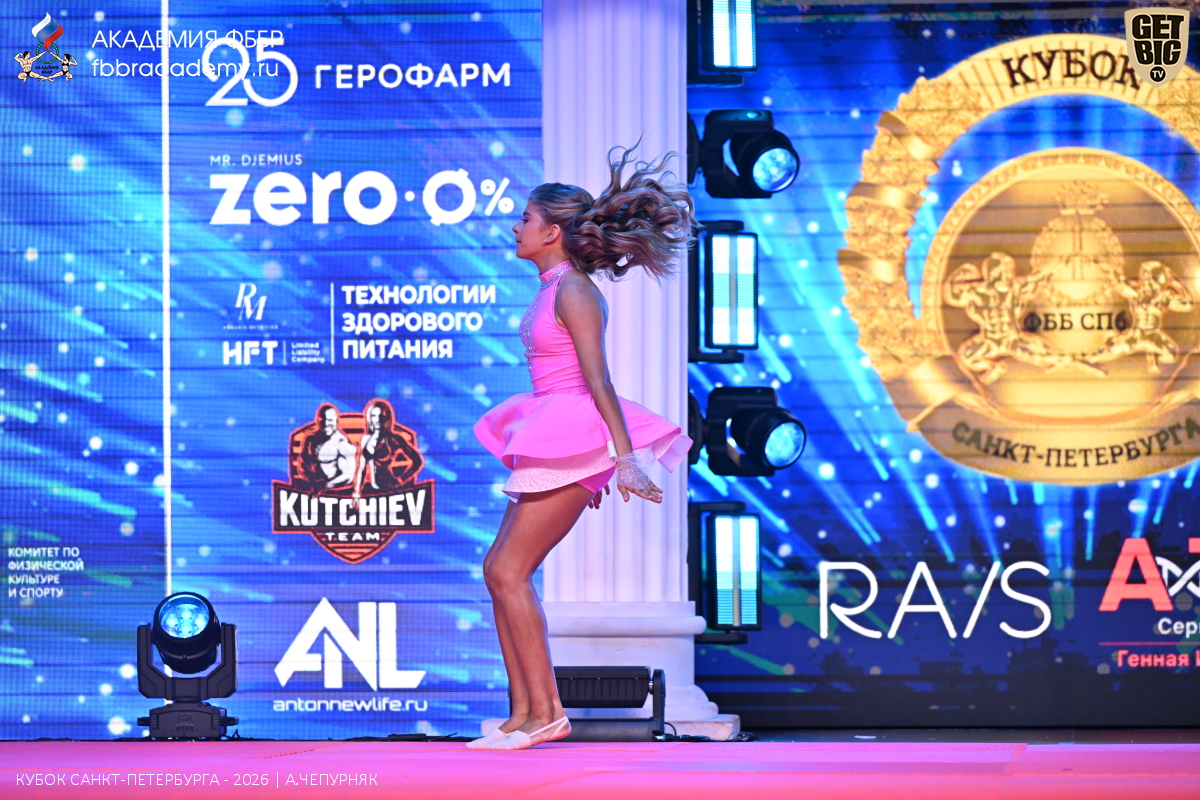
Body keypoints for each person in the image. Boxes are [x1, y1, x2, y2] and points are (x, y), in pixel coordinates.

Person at [470, 146, 695, 751]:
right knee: (499, 571)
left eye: (525, 218)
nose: (515, 227)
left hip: (572, 431)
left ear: (552, 232)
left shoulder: (573, 290)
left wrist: (621, 458)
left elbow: (600, 382)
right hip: (553, 430)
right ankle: (522, 713)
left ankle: (546, 714)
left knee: (509, 571)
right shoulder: (551, 288)